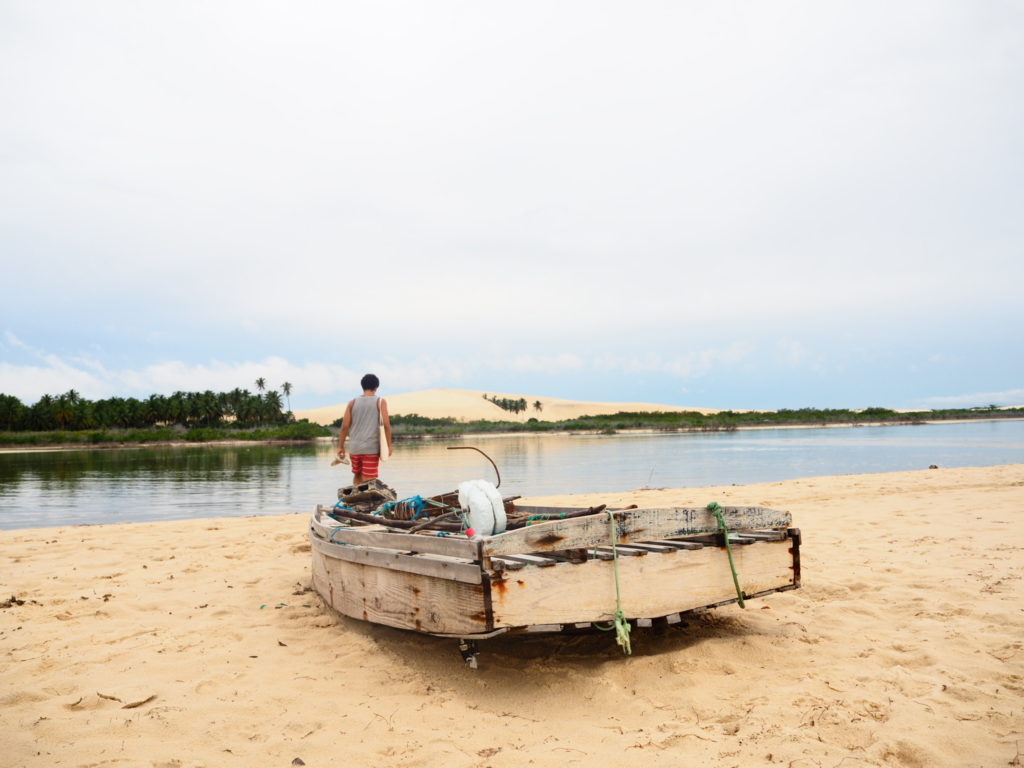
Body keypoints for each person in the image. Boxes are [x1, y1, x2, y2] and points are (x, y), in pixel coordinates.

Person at [336, 373, 392, 484]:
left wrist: (341, 446)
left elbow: (345, 427)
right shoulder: (380, 402)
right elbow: (386, 425)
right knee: (369, 479)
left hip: (355, 448)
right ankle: (367, 501)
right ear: (376, 387)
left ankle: (355, 498)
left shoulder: (352, 403)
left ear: (362, 386)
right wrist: (389, 445)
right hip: (371, 448)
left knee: (357, 474)